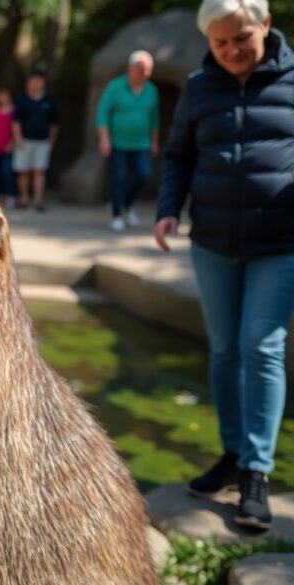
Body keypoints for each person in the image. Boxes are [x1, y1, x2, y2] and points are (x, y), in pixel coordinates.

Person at [155, 0, 294, 531]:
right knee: (223, 349)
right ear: (208, 42)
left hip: (279, 242)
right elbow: (179, 155)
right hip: (212, 240)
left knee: (262, 345)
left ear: (265, 27)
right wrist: (168, 210)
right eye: (221, 43)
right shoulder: (197, 87)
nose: (233, 51)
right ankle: (233, 452)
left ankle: (258, 471)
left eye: (242, 39)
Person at [97, 50, 160, 231]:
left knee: (144, 175)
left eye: (149, 70)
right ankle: (116, 214)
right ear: (130, 68)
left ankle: (127, 204)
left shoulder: (152, 90)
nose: (146, 74)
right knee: (118, 177)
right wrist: (104, 139)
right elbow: (102, 114)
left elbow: (154, 118)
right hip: (117, 143)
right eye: (142, 69)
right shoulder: (115, 87)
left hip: (141, 143)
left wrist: (154, 141)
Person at [12, 69, 58, 212]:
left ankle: (39, 200)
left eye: (36, 81)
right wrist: (18, 138)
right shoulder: (22, 99)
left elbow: (54, 123)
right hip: (24, 140)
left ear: (42, 82)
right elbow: (15, 121)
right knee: (23, 171)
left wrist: (51, 141)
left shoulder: (48, 100)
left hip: (43, 141)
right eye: (31, 81)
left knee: (40, 171)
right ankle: (24, 198)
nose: (33, 84)